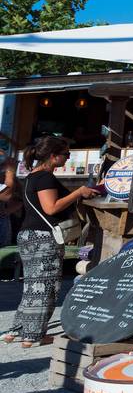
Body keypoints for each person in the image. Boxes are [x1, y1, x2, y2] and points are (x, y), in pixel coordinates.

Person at [5, 137, 104, 347]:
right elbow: (51, 208)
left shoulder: (33, 177)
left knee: (33, 286)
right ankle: (33, 336)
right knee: (45, 287)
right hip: (42, 238)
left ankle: (18, 330)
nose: (68, 158)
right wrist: (78, 191)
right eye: (66, 154)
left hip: (29, 236)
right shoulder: (45, 178)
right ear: (53, 156)